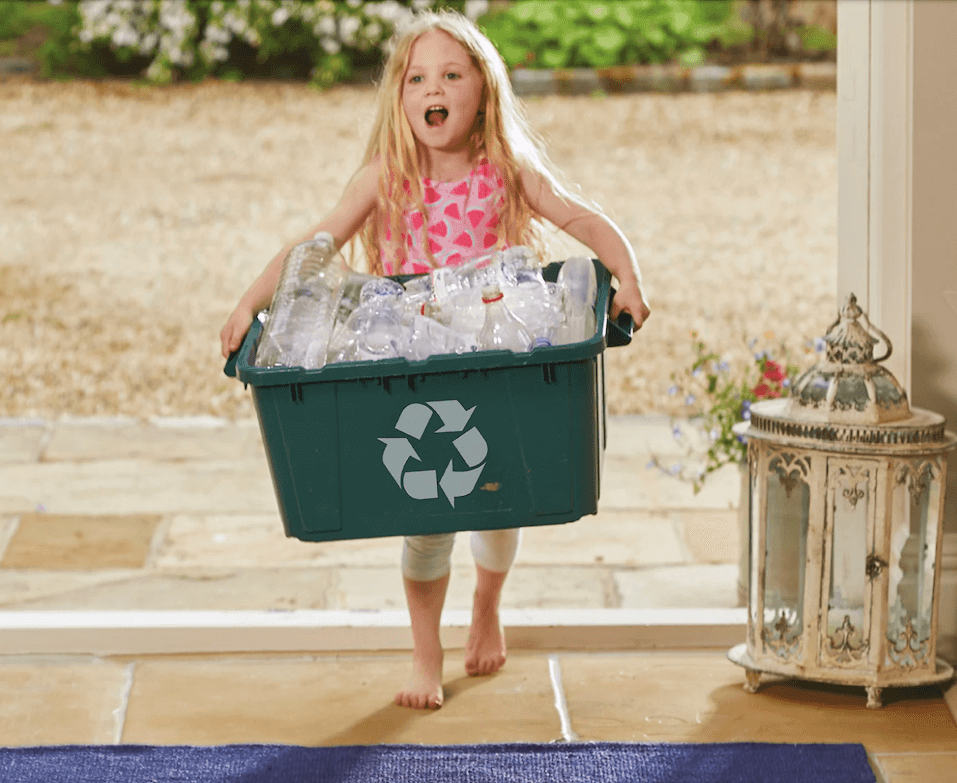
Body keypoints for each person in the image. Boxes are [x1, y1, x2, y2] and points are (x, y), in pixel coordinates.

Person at [221, 11, 650, 710]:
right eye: (418, 78)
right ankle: (426, 651)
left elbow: (587, 222)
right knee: (423, 508)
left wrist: (628, 276)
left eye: (452, 74)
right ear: (400, 96)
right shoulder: (383, 179)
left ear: (483, 89)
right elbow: (312, 250)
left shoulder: (508, 171)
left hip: (495, 361)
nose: (434, 88)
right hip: (413, 367)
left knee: (498, 500)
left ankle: (487, 603)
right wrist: (248, 305)